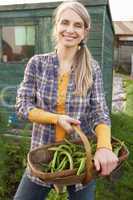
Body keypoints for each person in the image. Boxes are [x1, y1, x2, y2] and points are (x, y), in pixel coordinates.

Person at [14, 1, 118, 200]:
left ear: (85, 32)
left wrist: (104, 146)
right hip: (42, 156)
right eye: (65, 23)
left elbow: (99, 111)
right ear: (56, 26)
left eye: (78, 25)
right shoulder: (37, 64)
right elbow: (22, 105)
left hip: (80, 155)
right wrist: (55, 118)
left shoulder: (92, 68)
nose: (70, 30)